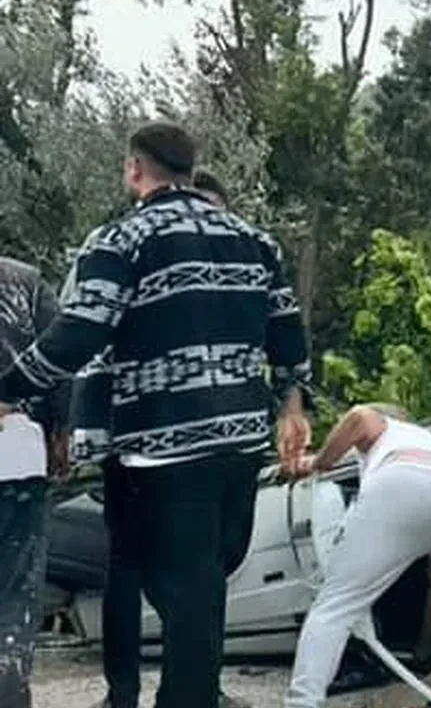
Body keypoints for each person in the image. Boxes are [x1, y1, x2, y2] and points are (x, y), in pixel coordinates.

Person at [0, 122, 313, 708]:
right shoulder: (255, 240)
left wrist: (14, 389)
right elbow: (289, 334)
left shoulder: (122, 241)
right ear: (193, 172)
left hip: (164, 449)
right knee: (204, 589)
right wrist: (293, 404)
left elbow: (80, 332)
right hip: (242, 443)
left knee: (179, 590)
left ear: (134, 169)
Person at [74, 168, 255, 708]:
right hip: (137, 439)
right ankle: (123, 692)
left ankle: (196, 685)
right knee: (129, 566)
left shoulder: (230, 261)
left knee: (206, 570)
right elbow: (88, 336)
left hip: (214, 441)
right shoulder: (122, 250)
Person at [284, 404, 431, 708]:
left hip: (403, 477)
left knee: (337, 604)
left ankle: (303, 703)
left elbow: (359, 417)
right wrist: (425, 649)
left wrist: (319, 462)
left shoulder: (388, 426)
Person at [0, 257, 70, 708]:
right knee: (15, 586)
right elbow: (62, 355)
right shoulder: (25, 280)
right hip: (17, 447)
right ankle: (8, 680)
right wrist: (60, 431)